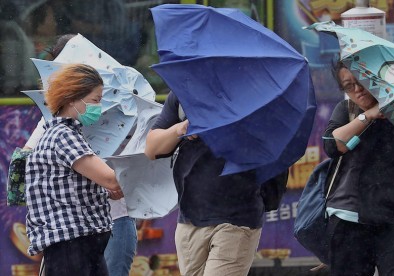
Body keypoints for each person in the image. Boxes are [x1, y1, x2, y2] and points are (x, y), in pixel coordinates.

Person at [24, 34, 137, 276]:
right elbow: (110, 179)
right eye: (95, 100)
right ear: (73, 97)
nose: (99, 106)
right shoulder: (63, 135)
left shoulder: (60, 132)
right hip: (72, 247)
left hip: (81, 244)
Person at [145, 91, 278, 276]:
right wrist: (179, 129)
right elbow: (151, 149)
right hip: (189, 218)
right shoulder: (182, 93)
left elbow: (273, 143)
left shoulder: (252, 90)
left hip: (237, 217)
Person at [322, 61, 394, 275]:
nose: (357, 90)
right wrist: (368, 115)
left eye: (361, 81)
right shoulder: (347, 109)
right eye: (348, 85)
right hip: (349, 217)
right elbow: (331, 144)